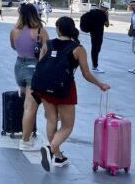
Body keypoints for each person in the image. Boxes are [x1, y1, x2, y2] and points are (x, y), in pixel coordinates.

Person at [34, 16, 110, 171]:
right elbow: (86, 74)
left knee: (51, 120)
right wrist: (100, 84)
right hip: (65, 89)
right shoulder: (78, 49)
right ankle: (51, 149)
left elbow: (41, 65)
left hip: (45, 87)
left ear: (58, 29)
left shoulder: (47, 44)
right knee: (68, 125)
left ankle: (58, 156)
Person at [9, 3, 48, 151]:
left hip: (19, 67)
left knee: (27, 105)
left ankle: (27, 136)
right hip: (33, 68)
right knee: (30, 107)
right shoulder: (40, 31)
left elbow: (13, 47)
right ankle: (26, 141)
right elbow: (47, 50)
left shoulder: (14, 31)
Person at [82, 3, 110, 72]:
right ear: (106, 8)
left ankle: (94, 66)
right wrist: (107, 16)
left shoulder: (93, 12)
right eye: (106, 9)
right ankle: (95, 67)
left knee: (94, 49)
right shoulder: (102, 14)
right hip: (98, 34)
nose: (106, 10)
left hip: (93, 33)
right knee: (96, 50)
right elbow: (107, 25)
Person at [128, 0, 135, 74]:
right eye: (131, 5)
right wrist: (130, 31)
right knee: (134, 51)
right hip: (134, 34)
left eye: (134, 5)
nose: (132, 6)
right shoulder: (133, 13)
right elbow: (132, 23)